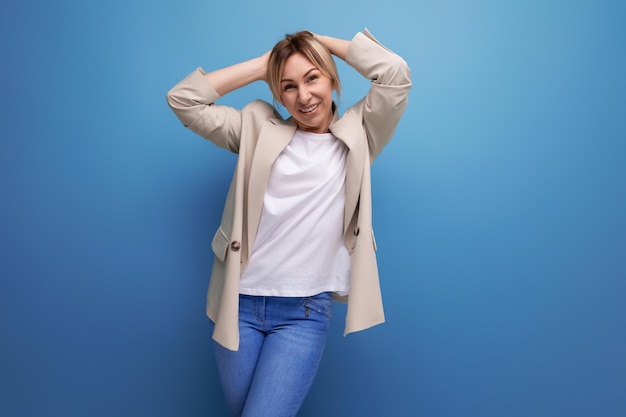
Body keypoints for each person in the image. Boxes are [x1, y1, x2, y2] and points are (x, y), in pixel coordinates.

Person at [166, 28, 411, 417]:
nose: (304, 96)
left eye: (313, 78)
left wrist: (319, 42)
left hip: (303, 314)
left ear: (331, 77)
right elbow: (184, 99)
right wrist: (265, 65)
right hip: (240, 304)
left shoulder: (360, 133)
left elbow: (395, 73)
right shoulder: (258, 131)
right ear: (278, 94)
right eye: (288, 86)